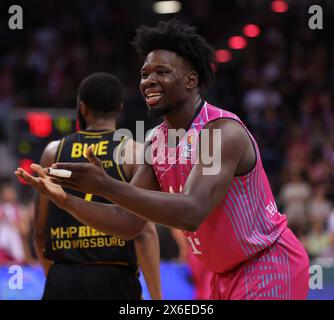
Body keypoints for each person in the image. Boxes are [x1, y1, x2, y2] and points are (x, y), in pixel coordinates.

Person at [16, 19, 310, 300]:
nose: (149, 81)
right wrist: (67, 201)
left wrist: (106, 186)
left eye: (162, 72)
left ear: (191, 80)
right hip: (223, 274)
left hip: (267, 263)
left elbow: (191, 212)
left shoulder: (220, 132)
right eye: (145, 74)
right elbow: (128, 222)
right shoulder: (156, 140)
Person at [28, 73, 161, 300]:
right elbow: (143, 233)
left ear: (83, 107)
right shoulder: (134, 152)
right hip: (115, 277)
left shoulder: (53, 151)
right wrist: (158, 298)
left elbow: (39, 232)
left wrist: (54, 276)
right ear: (119, 108)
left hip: (63, 275)